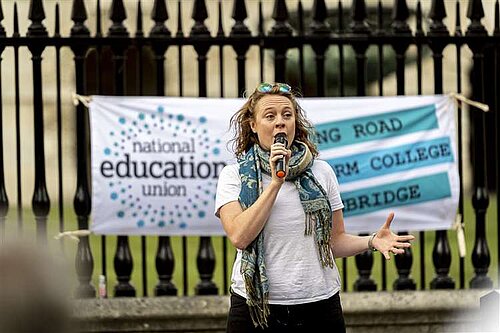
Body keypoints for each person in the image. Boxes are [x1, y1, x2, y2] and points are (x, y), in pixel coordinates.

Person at [214, 82, 415, 332]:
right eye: (270, 116)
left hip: (319, 307)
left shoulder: (321, 172)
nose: (280, 122)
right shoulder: (233, 176)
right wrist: (276, 182)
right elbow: (240, 236)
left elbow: (334, 241)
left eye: (287, 115)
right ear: (253, 125)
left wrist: (372, 241)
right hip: (256, 309)